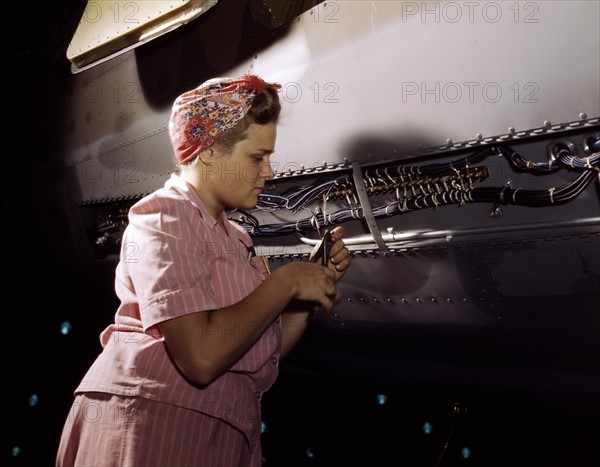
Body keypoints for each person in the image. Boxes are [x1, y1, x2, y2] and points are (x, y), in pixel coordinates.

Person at [56, 73, 351, 466]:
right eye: (257, 157)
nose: (269, 173)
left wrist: (305, 295)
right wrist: (285, 281)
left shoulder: (236, 241)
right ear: (209, 151)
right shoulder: (163, 216)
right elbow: (201, 356)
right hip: (151, 429)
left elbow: (258, 351)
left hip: (218, 437)